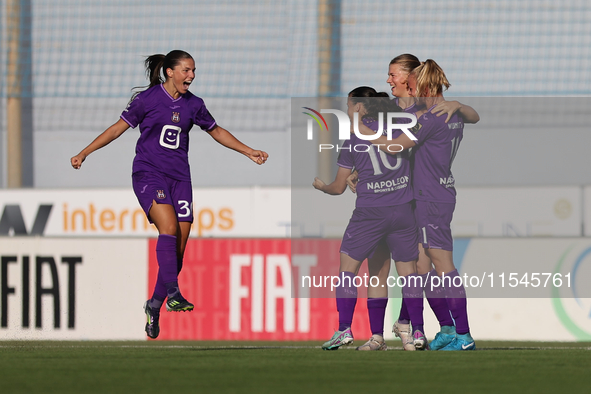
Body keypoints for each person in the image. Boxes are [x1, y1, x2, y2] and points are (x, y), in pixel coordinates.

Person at [70, 50, 268, 339]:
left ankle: (154, 305)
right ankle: (174, 293)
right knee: (170, 228)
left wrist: (248, 151)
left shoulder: (194, 104)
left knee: (178, 251)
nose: (192, 75)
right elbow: (116, 129)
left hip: (181, 179)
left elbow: (217, 131)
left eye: (194, 70)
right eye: (186, 70)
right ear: (170, 72)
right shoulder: (147, 100)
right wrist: (84, 152)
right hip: (149, 174)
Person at [349, 54, 479, 351]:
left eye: (412, 83)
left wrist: (363, 130)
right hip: (436, 193)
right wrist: (459, 104)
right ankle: (443, 328)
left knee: (442, 265)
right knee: (422, 266)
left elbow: (395, 146)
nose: (409, 88)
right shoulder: (452, 112)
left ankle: (463, 334)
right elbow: (474, 115)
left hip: (428, 197)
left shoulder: (432, 118)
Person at [313, 86, 422, 351]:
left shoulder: (353, 139)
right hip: (403, 211)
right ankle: (410, 333)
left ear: (359, 107)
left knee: (349, 271)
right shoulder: (398, 130)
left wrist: (321, 186)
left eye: (350, 106)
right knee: (404, 274)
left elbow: (338, 188)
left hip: (370, 215)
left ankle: (344, 330)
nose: (348, 111)